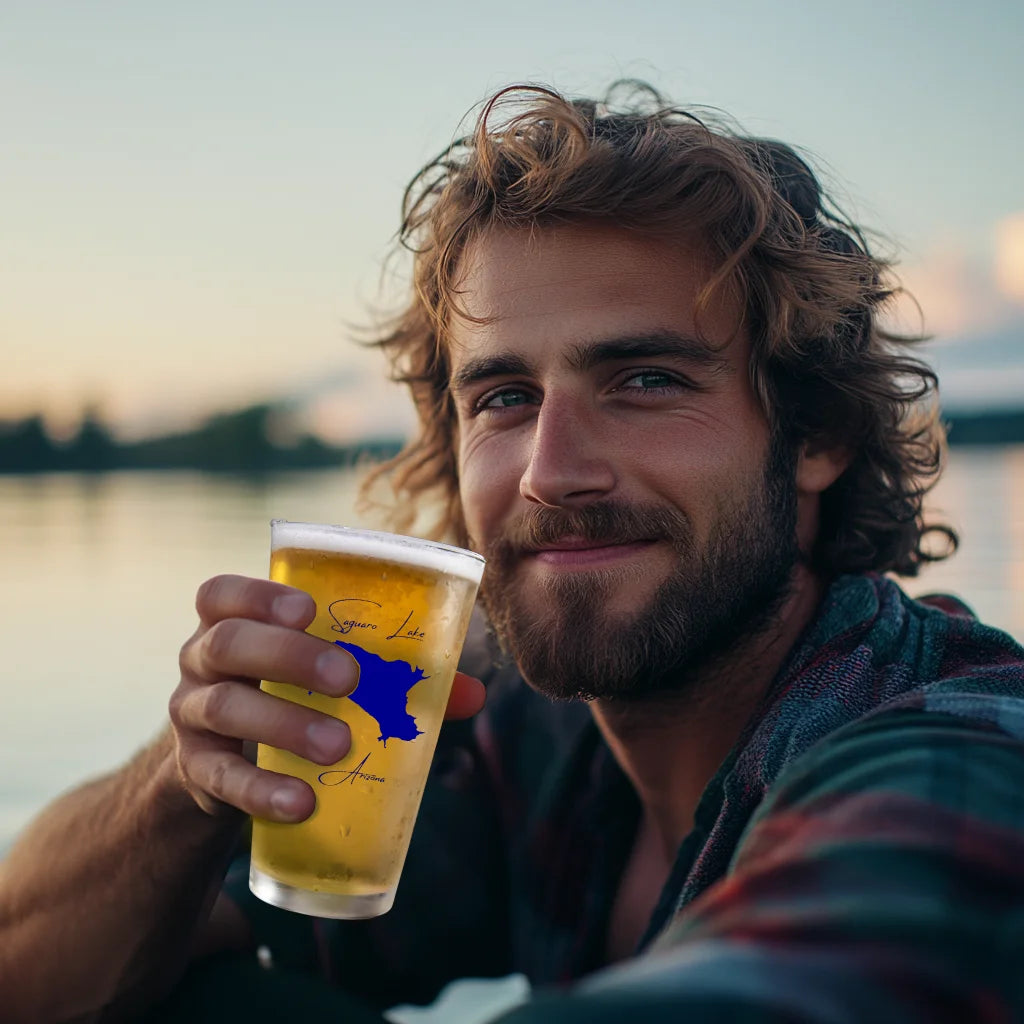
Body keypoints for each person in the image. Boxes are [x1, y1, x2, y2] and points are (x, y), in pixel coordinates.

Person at [2, 82, 1023, 1023]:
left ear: (816, 434)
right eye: (503, 397)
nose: (549, 473)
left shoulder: (960, 750)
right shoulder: (508, 728)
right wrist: (185, 786)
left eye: (647, 381)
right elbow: (25, 975)